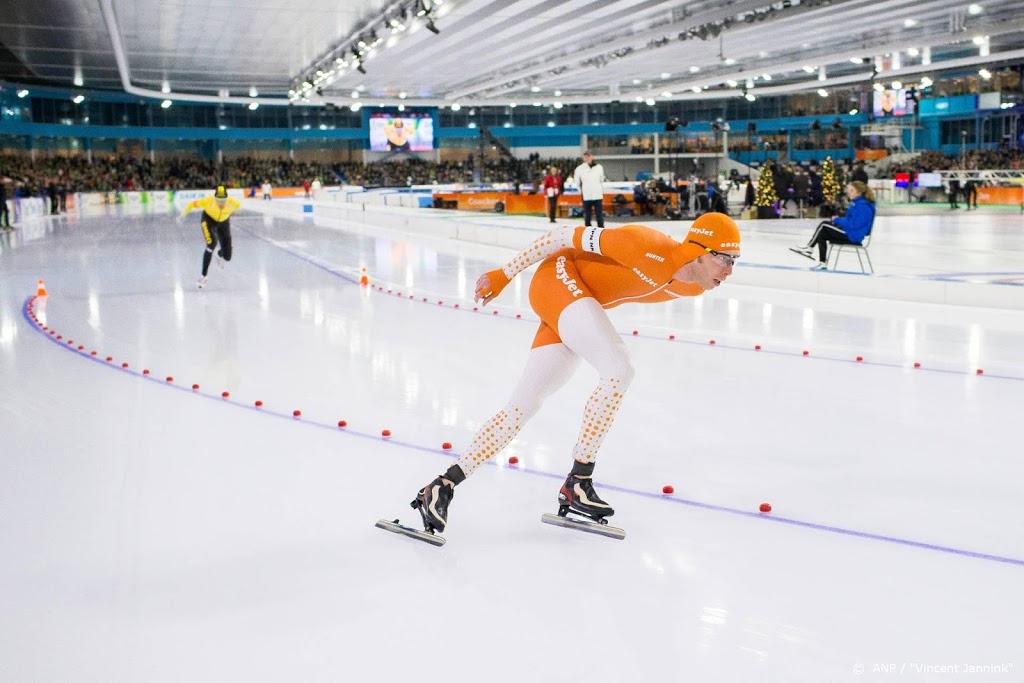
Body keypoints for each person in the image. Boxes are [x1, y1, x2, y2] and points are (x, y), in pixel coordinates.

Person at [409, 212, 742, 537]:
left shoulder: (694, 288)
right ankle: (578, 482)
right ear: (701, 251)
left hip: (577, 300)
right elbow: (558, 236)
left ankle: (441, 487)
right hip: (558, 278)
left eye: (735, 261)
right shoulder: (643, 244)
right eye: (725, 259)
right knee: (619, 368)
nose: (729, 271)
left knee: (525, 404)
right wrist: (504, 274)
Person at [789, 181, 875, 270]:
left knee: (824, 225)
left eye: (852, 190)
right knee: (823, 233)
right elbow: (851, 221)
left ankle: (809, 248)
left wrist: (837, 220)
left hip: (853, 236)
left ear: (859, 192)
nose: (849, 192)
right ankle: (822, 262)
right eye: (849, 190)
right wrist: (839, 220)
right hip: (851, 233)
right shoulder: (857, 204)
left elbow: (854, 224)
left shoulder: (863, 207)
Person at [179, 185, 242, 289]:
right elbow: (191, 204)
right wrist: (183, 213)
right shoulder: (208, 201)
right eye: (218, 200)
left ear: (227, 199)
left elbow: (237, 208)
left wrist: (233, 213)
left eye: (223, 201)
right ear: (214, 198)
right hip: (209, 220)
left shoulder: (234, 203)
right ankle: (203, 276)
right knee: (212, 243)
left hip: (224, 223)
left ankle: (219, 253)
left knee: (227, 257)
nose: (221, 203)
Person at [572, 150, 606, 228]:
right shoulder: (579, 169)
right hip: (586, 195)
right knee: (587, 215)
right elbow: (576, 182)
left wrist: (600, 189)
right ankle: (588, 231)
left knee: (599, 215)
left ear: (592, 157)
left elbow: (602, 179)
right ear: (584, 158)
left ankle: (601, 231)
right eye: (586, 157)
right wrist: (581, 191)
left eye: (589, 156)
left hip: (597, 195)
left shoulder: (599, 167)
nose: (587, 158)